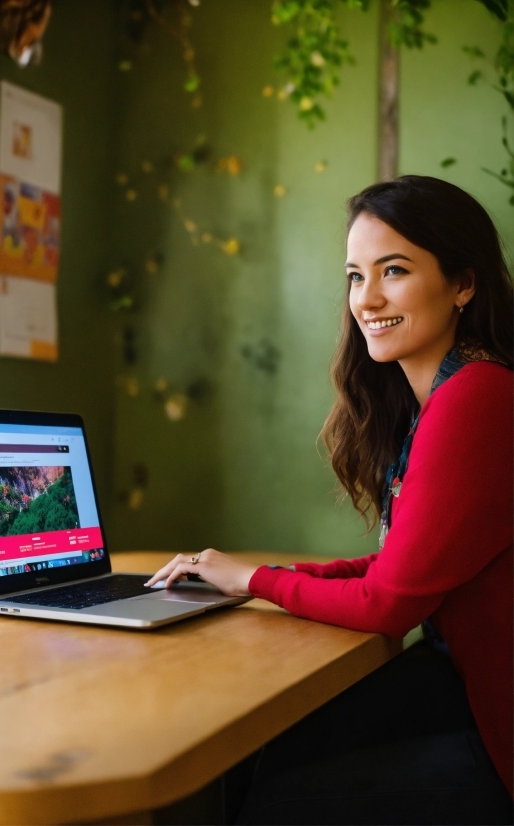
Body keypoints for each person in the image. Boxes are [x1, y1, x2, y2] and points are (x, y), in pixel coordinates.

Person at [146, 176, 513, 825]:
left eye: (392, 271)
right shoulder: (446, 397)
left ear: (464, 283)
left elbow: (388, 605)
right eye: (354, 275)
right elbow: (398, 570)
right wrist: (257, 581)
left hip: (495, 734)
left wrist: (258, 579)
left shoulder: (476, 398)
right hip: (464, 691)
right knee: (261, 753)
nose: (366, 299)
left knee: (278, 797)